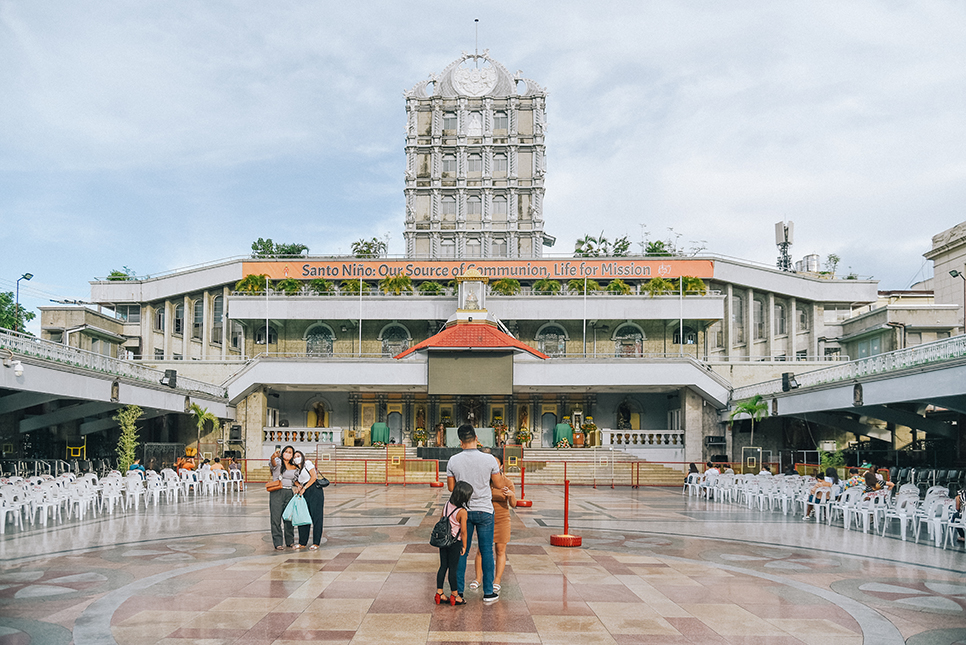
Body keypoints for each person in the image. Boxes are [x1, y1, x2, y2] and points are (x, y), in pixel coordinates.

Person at [446, 424, 504, 603]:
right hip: (485, 510)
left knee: (462, 550)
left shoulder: (453, 460)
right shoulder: (489, 460)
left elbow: (450, 488)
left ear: (461, 441)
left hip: (463, 511)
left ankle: (459, 592)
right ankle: (488, 592)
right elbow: (500, 485)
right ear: (476, 438)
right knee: (486, 551)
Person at [470, 453, 516, 592]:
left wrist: (511, 495)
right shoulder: (483, 482)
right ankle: (478, 578)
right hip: (485, 519)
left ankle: (497, 579)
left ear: (501, 466)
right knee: (481, 550)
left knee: (500, 550)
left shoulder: (507, 482)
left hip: (502, 519)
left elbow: (513, 504)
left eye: (496, 464)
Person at [436, 481, 471, 606]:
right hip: (455, 542)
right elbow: (464, 531)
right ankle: (455, 595)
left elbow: (441, 520)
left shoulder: (446, 504)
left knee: (443, 566)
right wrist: (465, 546)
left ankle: (439, 592)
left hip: (443, 541)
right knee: (453, 569)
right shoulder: (462, 511)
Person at [292, 450, 325, 550]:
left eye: (298, 455)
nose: (296, 458)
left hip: (314, 490)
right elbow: (296, 481)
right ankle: (302, 542)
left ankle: (316, 542)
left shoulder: (307, 463)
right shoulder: (296, 470)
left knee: (317, 517)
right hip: (304, 492)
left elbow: (313, 477)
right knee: (303, 516)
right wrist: (299, 487)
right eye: (294, 457)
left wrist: (304, 488)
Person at [269, 445, 298, 550]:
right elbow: (272, 465)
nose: (288, 454)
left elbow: (295, 480)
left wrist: (299, 486)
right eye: (286, 451)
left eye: (290, 452)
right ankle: (278, 542)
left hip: (288, 492)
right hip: (277, 491)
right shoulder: (278, 462)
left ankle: (290, 541)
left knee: (288, 518)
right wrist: (273, 457)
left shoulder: (294, 467)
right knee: (276, 518)